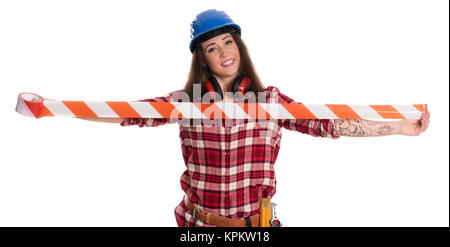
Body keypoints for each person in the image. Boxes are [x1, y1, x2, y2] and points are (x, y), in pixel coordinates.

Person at [81, 9, 430, 227]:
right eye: (212, 48)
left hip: (256, 228)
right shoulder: (186, 102)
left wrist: (399, 127)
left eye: (227, 42)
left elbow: (329, 124)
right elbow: (130, 114)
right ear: (203, 59)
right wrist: (63, 110)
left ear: (238, 46)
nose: (223, 53)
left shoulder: (271, 102)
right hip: (198, 226)